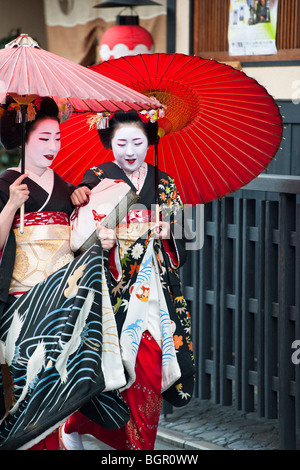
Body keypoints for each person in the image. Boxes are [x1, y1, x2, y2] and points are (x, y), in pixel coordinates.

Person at [59, 110, 195, 451]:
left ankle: (139, 447)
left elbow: (187, 236)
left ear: (150, 141)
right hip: (113, 291)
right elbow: (78, 234)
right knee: (112, 369)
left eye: (138, 142)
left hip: (154, 292)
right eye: (121, 143)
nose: (130, 150)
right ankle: (80, 422)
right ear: (110, 143)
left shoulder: (164, 184)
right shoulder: (98, 178)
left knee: (149, 366)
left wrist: (171, 230)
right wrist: (87, 214)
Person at [0, 97, 125, 450]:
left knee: (63, 374)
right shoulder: (7, 183)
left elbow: (78, 241)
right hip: (21, 298)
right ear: (23, 139)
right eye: (44, 139)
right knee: (32, 379)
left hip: (60, 298)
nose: (54, 146)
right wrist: (11, 203)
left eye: (57, 138)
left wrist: (91, 216)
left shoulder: (67, 187)